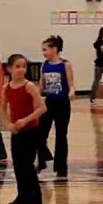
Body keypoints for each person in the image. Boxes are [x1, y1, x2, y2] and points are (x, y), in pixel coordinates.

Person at [0, 53, 46, 204]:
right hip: (17, 131)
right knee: (18, 164)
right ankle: (22, 195)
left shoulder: (29, 86)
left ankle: (35, 198)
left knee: (27, 164)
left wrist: (25, 120)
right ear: (9, 69)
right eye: (18, 66)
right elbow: (3, 109)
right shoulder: (6, 88)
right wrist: (8, 124)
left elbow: (42, 108)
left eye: (24, 66)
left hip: (31, 130)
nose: (21, 69)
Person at [36, 35, 75, 178]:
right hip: (47, 104)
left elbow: (71, 84)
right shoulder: (44, 65)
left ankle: (61, 167)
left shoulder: (65, 65)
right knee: (40, 134)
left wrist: (71, 92)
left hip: (62, 104)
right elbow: (41, 85)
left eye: (45, 49)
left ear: (55, 49)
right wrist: (37, 97)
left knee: (61, 135)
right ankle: (42, 161)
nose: (44, 53)